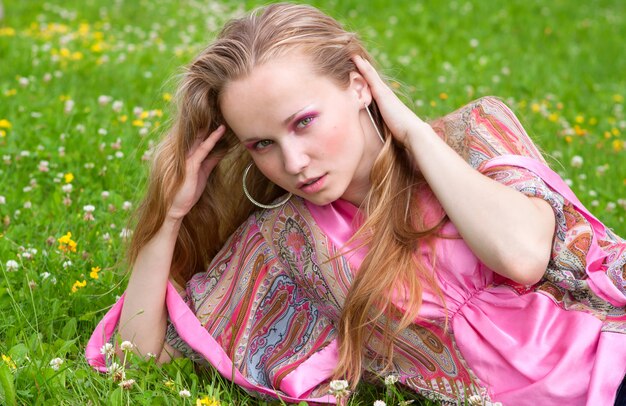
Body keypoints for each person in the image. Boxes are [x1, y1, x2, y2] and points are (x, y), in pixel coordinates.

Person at [86, 3, 626, 405]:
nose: (294, 161)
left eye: (304, 122)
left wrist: (412, 133)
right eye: (263, 144)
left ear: (358, 85)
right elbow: (136, 358)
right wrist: (170, 218)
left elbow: (522, 256)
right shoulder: (288, 241)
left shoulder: (472, 135)